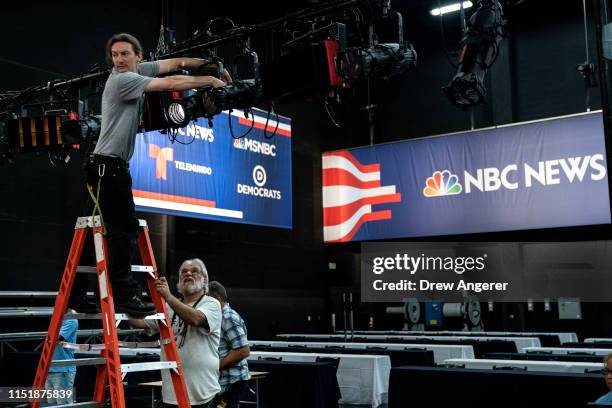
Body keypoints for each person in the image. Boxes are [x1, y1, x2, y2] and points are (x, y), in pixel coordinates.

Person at [80, 33, 230, 317]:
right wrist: (209, 81)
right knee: (123, 231)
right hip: (108, 168)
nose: (119, 60)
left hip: (105, 167)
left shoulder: (139, 70)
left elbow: (176, 63)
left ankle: (77, 293)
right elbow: (172, 82)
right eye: (115, 55)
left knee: (91, 234)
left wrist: (207, 65)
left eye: (125, 54)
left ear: (139, 56)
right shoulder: (123, 79)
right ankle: (125, 295)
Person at [131, 258, 222, 408]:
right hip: (172, 394)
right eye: (184, 272)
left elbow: (195, 318)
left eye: (194, 271)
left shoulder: (211, 303)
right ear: (179, 280)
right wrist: (119, 306)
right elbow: (141, 322)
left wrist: (168, 296)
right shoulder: (168, 307)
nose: (188, 274)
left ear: (204, 279)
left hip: (203, 394)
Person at [208, 281, 251, 408]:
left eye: (208, 301)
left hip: (233, 380)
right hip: (227, 381)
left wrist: (216, 366)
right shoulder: (220, 316)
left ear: (219, 299)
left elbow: (243, 350)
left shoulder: (228, 317)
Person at [46, 313, 78, 405]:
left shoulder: (71, 320)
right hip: (49, 370)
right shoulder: (56, 319)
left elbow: (55, 338)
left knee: (63, 405)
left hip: (63, 370)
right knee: (51, 405)